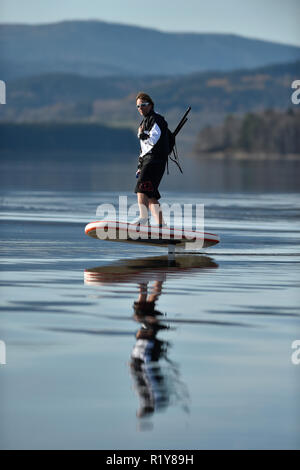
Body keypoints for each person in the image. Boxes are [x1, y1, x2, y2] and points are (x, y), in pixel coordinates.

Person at [132, 92, 169, 227]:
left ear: (151, 105)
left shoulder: (156, 119)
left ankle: (143, 219)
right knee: (150, 194)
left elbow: (153, 140)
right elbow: (144, 149)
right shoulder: (145, 121)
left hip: (155, 161)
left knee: (141, 189)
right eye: (138, 106)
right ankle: (162, 226)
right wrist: (140, 166)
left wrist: (141, 134)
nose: (140, 108)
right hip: (149, 161)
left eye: (143, 105)